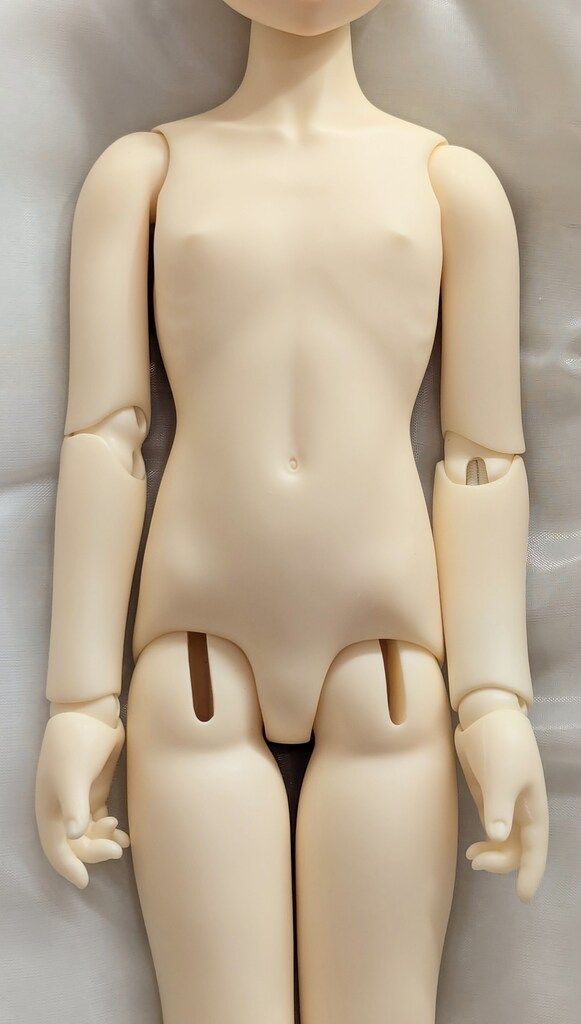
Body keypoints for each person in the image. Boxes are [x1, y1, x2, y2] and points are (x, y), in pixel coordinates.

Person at [35, 2, 549, 1021]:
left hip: (388, 666)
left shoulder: (451, 187)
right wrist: (80, 702)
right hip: (193, 661)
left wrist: (493, 699)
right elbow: (103, 440)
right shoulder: (142, 174)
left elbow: (482, 461)